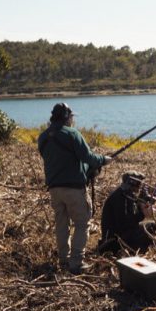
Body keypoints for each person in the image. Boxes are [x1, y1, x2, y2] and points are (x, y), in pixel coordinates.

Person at [38, 103, 112, 274]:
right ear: (67, 117)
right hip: (73, 188)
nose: (72, 120)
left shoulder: (43, 137)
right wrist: (103, 160)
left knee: (61, 223)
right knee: (82, 223)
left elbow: (59, 160)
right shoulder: (72, 134)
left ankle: (64, 260)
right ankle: (76, 262)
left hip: (54, 189)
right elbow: (87, 157)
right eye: (71, 117)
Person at [99, 171, 156, 253]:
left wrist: (140, 206)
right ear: (132, 183)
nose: (140, 186)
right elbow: (125, 224)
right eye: (139, 183)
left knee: (151, 226)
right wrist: (142, 213)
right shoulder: (119, 198)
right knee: (150, 226)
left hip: (120, 234)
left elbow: (130, 218)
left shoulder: (125, 194)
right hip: (115, 240)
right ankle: (137, 251)